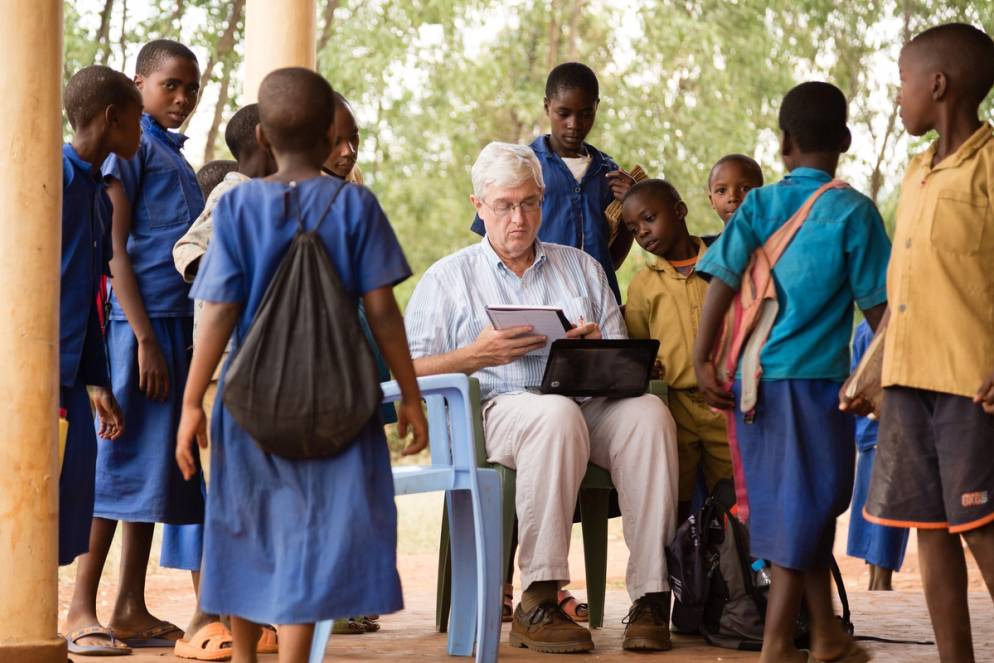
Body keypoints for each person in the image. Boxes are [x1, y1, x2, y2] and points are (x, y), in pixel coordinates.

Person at [174, 67, 428, 663]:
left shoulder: (238, 207)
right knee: (318, 538)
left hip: (249, 403)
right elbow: (383, 310)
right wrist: (409, 394)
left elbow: (216, 311)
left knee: (245, 532)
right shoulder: (355, 205)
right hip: (337, 403)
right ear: (327, 135)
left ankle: (243, 654)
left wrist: (190, 402)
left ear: (261, 137)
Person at [407, 141, 679, 654]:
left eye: (530, 203)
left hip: (585, 403)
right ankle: (538, 597)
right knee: (553, 416)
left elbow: (622, 361)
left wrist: (597, 350)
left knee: (649, 414)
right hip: (494, 409)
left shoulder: (581, 268)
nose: (519, 218)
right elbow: (410, 369)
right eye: (505, 205)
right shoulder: (449, 278)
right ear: (479, 207)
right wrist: (474, 354)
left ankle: (649, 596)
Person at [694, 82, 891, 663]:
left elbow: (721, 282)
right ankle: (777, 643)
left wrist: (704, 357)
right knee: (808, 504)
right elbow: (881, 312)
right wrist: (885, 377)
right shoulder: (854, 212)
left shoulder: (758, 206)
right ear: (846, 141)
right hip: (816, 388)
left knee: (796, 504)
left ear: (783, 144)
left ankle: (826, 634)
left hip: (754, 386)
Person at [847, 23, 994, 663]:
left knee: (982, 529)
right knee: (932, 532)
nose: (897, 96)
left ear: (938, 85)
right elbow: (905, 285)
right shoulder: (914, 172)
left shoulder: (989, 167)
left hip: (970, 383)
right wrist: (873, 369)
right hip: (907, 382)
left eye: (903, 82)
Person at [64, 38, 206, 652]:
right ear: (137, 85)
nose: (181, 97)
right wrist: (144, 338)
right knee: (116, 467)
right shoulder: (133, 149)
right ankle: (79, 610)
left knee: (151, 473)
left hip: (172, 324)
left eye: (190, 88)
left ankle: (129, 605)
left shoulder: (171, 154)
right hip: (136, 328)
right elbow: (117, 250)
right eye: (169, 84)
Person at [167, 103, 279, 660]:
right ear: (264, 140)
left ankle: (248, 621)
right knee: (232, 507)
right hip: (226, 377)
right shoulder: (234, 191)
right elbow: (187, 248)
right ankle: (207, 622)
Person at [59, 65, 140, 656]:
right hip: (24, 372)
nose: (140, 128)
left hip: (70, 372)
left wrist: (97, 381)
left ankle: (66, 614)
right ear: (113, 116)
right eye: (135, 115)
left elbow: (88, 294)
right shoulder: (45, 176)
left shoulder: (98, 195)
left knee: (71, 493)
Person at [469, 62, 635, 303]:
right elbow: (494, 243)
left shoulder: (609, 174)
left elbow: (613, 259)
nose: (574, 124)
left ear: (596, 107)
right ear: (547, 106)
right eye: (563, 113)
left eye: (586, 113)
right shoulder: (519, 167)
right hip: (539, 300)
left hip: (600, 303)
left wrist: (630, 206)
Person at [622, 178, 731, 524]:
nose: (643, 232)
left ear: (680, 211)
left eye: (649, 219)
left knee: (734, 495)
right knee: (675, 498)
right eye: (633, 228)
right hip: (674, 409)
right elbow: (640, 346)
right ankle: (680, 573)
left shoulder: (723, 264)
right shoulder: (644, 284)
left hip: (723, 402)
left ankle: (743, 573)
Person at [845, 321, 908, 591]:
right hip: (889, 432)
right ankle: (880, 583)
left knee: (873, 507)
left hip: (870, 432)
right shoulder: (896, 327)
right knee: (886, 511)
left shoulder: (863, 330)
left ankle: (877, 581)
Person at [706, 154, 764, 226]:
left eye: (745, 188)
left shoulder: (777, 236)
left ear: (762, 196)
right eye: (722, 190)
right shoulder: (699, 238)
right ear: (711, 201)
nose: (733, 198)